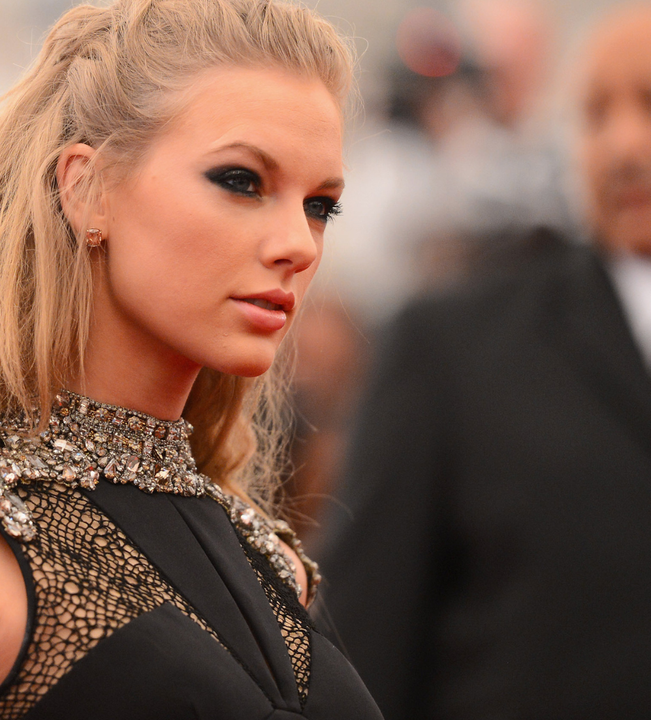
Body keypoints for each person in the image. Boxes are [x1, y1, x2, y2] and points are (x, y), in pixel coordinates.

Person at [0, 1, 382, 718]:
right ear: (86, 187)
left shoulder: (270, 558)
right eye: (241, 181)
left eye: (321, 205)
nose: (300, 243)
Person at [316, 5, 651, 719]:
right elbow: (364, 648)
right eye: (594, 114)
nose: (624, 144)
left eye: (650, 105)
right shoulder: (448, 349)